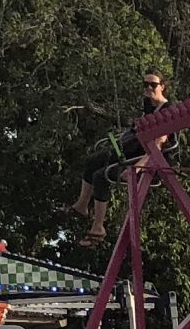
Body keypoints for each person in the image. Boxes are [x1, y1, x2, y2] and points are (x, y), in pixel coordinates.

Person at [73, 72, 170, 241]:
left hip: (146, 159)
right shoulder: (148, 105)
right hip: (130, 149)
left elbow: (158, 145)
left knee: (101, 176)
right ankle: (82, 205)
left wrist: (138, 167)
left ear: (162, 87)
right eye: (145, 84)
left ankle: (98, 227)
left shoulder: (167, 111)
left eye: (152, 85)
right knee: (92, 161)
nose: (148, 88)